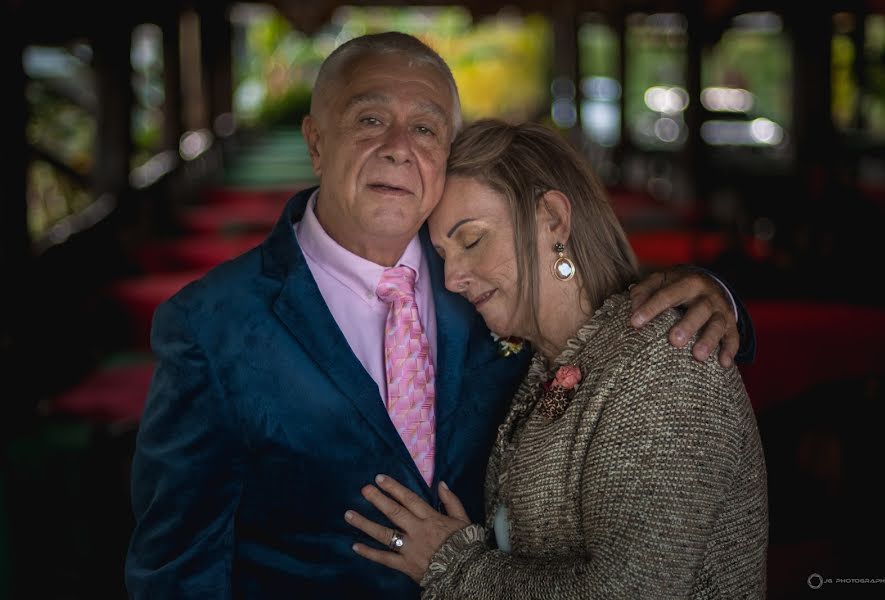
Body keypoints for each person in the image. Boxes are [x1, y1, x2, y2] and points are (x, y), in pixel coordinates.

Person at [125, 32, 756, 598]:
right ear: (316, 141)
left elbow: (618, 341)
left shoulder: (490, 288)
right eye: (369, 118)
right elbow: (178, 569)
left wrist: (720, 302)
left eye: (425, 128)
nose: (398, 148)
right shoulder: (210, 324)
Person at [344, 119, 768, 599]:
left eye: (472, 239)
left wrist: (452, 565)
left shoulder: (665, 363)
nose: (452, 277)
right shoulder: (545, 361)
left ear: (552, 218)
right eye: (443, 254)